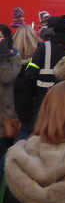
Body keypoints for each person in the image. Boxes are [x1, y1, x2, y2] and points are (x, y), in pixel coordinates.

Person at [16, 14, 65, 133]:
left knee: (42, 133)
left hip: (43, 100)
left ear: (53, 31)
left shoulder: (44, 48)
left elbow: (31, 74)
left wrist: (31, 96)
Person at [0, 25, 22, 153]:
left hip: (4, 114)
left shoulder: (14, 57)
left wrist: (2, 58)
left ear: (7, 38)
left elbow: (7, 77)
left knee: (3, 152)